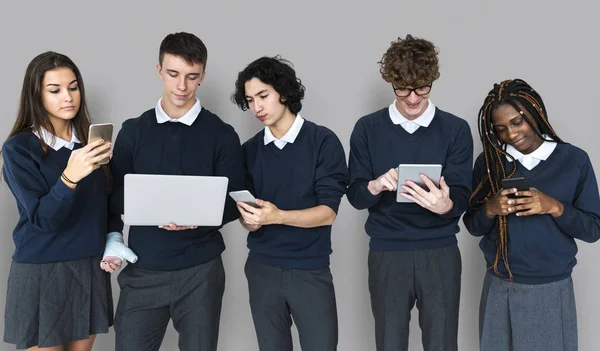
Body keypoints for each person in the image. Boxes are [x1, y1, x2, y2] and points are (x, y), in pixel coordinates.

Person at [101, 32, 245, 351]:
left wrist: (199, 218)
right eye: (174, 74)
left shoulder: (221, 134)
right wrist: (114, 238)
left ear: (202, 76)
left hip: (201, 272)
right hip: (142, 267)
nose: (182, 86)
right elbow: (113, 196)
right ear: (159, 71)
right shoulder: (133, 131)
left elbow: (236, 200)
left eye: (192, 77)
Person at [346, 35, 473, 351]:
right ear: (391, 82)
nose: (413, 98)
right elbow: (355, 195)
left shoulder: (455, 129)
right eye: (403, 89)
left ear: (432, 81)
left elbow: (463, 194)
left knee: (442, 342)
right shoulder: (367, 128)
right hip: (388, 252)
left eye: (421, 88)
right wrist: (375, 185)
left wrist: (446, 205)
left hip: (440, 252)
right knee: (390, 342)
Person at [463, 78, 600, 351]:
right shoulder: (491, 163)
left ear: (535, 114)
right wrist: (490, 208)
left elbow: (593, 230)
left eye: (517, 122)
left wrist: (555, 207)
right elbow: (473, 225)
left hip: (549, 289)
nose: (511, 134)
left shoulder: (573, 160)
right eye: (500, 129)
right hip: (498, 286)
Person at [231, 56, 349, 351]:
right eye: (250, 100)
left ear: (283, 92)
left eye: (263, 95)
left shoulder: (323, 142)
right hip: (261, 270)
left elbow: (327, 213)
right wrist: (250, 219)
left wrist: (277, 216)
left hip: (309, 270)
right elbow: (250, 218)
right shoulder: (249, 151)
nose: (257, 107)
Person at [1, 51, 114, 351]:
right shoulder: (19, 149)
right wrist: (69, 177)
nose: (68, 97)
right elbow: (43, 220)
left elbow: (103, 208)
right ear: (36, 96)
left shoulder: (91, 147)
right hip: (43, 270)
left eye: (73, 87)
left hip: (89, 268)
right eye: (55, 90)